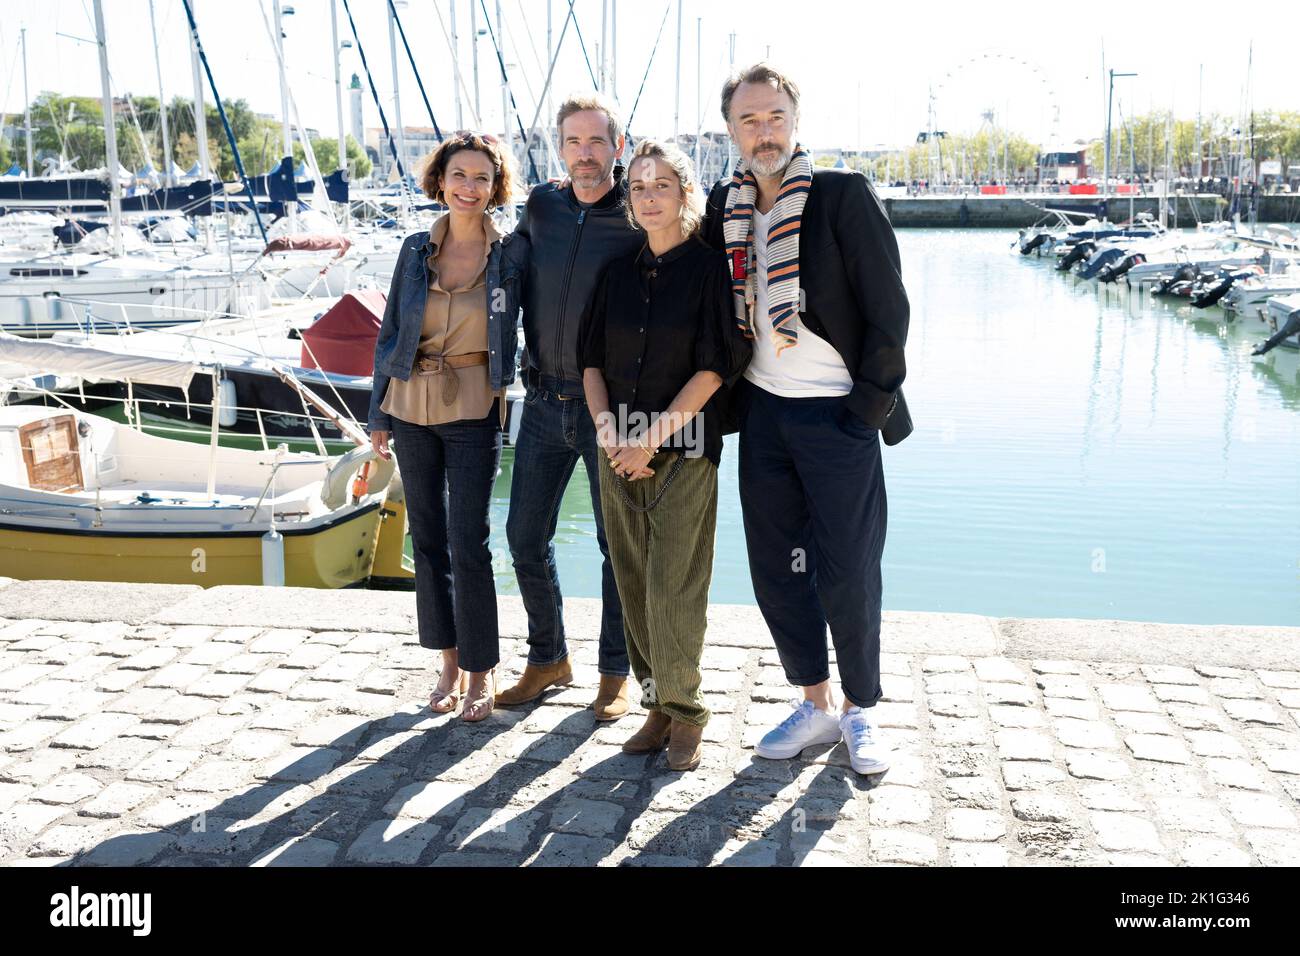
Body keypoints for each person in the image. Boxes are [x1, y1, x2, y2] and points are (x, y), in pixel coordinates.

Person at [702, 64, 912, 775]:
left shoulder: (841, 196)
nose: (764, 131)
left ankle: (860, 711)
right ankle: (815, 701)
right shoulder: (722, 208)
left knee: (848, 568)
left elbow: (890, 309)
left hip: (837, 418)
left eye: (775, 116)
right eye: (749, 120)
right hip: (763, 415)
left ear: (796, 120)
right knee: (778, 569)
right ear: (730, 130)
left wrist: (866, 410)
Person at [578, 139, 750, 771]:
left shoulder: (708, 271)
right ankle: (654, 702)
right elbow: (590, 360)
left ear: (685, 194)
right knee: (631, 582)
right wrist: (608, 434)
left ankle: (686, 712)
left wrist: (646, 441)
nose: (650, 198)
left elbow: (717, 366)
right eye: (640, 188)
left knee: (675, 586)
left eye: (662, 186)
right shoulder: (616, 273)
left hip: (683, 450)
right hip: (613, 448)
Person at [366, 131, 528, 722]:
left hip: (473, 409)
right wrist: (379, 412)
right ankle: (449, 665)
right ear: (441, 180)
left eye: (481, 178)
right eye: (459, 175)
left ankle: (483, 672)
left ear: (494, 187)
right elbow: (389, 335)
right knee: (428, 541)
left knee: (470, 542)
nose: (469, 187)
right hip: (410, 408)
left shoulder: (510, 255)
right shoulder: (413, 250)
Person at [496, 94, 645, 720]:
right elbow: (505, 272)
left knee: (619, 546)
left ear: (618, 148)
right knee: (524, 536)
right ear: (560, 148)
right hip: (542, 398)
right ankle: (548, 656)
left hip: (611, 407)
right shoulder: (542, 206)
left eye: (596, 142)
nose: (585, 155)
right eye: (573, 142)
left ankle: (616, 673)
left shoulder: (638, 213)